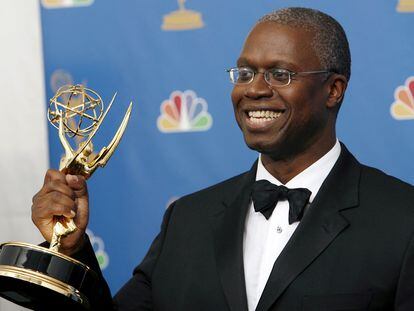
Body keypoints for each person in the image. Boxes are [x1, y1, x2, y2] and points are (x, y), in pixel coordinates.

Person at [31, 7, 414, 311]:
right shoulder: (187, 220)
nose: (255, 90)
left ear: (333, 90)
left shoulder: (403, 220)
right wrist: (70, 249)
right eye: (245, 72)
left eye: (280, 74)